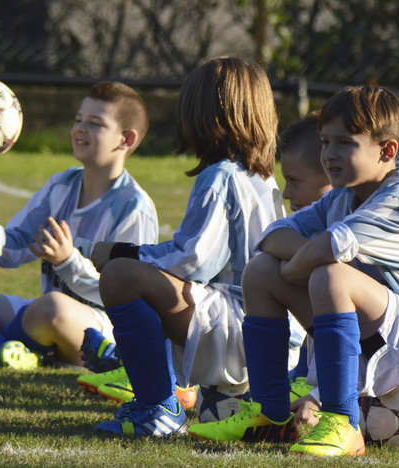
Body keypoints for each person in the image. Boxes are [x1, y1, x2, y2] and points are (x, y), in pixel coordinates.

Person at [188, 85, 399, 458]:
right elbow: (271, 236)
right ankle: (269, 414)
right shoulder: (342, 196)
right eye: (325, 142)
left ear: (387, 151)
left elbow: (326, 249)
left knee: (330, 275)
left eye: (345, 144)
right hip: (381, 342)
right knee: (260, 272)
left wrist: (300, 263)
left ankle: (342, 421)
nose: (329, 155)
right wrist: (298, 262)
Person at [86, 56, 284, 437]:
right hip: (267, 334)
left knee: (121, 277)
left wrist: (120, 252)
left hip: (240, 329)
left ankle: (157, 406)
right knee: (134, 275)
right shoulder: (260, 173)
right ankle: (222, 395)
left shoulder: (221, 175)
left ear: (201, 113)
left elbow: (192, 261)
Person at [0, 81, 158, 370]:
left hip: (103, 327)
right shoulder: (61, 185)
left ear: (127, 140)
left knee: (53, 305)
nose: (80, 129)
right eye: (78, 120)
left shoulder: (134, 207)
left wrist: (67, 261)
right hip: (42, 315)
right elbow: (16, 247)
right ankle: (1, 350)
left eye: (95, 123)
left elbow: (126, 293)